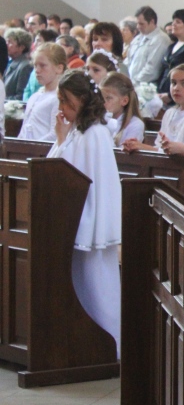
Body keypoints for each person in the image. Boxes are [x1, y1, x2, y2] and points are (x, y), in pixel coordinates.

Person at [48, 70, 122, 354]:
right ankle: (86, 346)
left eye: (65, 101)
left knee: (98, 285)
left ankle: (111, 345)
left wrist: (91, 223)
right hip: (75, 220)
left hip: (90, 223)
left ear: (81, 99)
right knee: (81, 285)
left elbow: (97, 185)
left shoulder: (96, 133)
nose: (61, 109)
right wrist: (60, 138)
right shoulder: (77, 131)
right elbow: (55, 171)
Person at [123, 63, 184, 153]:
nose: (176, 88)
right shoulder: (169, 113)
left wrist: (143, 147)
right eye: (173, 83)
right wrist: (139, 146)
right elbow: (159, 147)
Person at [18, 43, 66, 141]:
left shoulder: (59, 97)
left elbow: (55, 134)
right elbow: (25, 129)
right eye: (35, 66)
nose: (37, 70)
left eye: (43, 66)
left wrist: (32, 147)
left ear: (59, 68)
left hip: (41, 153)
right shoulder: (35, 96)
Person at [157, 10, 184, 99]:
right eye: (173, 22)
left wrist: (169, 95)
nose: (173, 25)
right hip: (162, 91)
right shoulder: (171, 46)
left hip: (177, 94)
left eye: (178, 22)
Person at [100, 72, 144, 147]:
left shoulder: (135, 124)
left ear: (124, 101)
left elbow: (124, 156)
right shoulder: (100, 120)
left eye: (108, 98)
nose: (103, 103)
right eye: (100, 98)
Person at [129, 6, 171, 84]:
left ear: (152, 22)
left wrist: (134, 82)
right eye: (137, 23)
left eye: (141, 24)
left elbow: (152, 68)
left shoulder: (160, 39)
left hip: (146, 86)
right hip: (132, 83)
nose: (138, 27)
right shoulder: (137, 38)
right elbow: (129, 60)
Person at [3, 28, 33, 98]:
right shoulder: (10, 62)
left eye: (10, 42)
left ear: (21, 47)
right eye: (6, 41)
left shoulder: (26, 66)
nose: (6, 45)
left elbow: (21, 96)